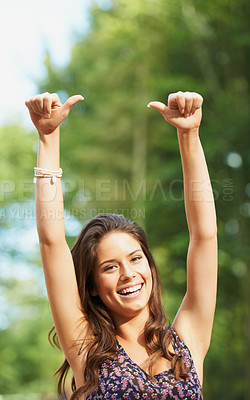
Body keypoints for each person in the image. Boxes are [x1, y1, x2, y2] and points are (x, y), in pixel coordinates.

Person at [25, 91, 217, 400]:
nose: (128, 273)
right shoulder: (87, 348)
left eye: (135, 258)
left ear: (149, 265)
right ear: (91, 286)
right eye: (110, 267)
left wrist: (189, 133)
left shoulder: (188, 338)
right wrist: (48, 138)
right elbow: (51, 242)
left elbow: (204, 236)